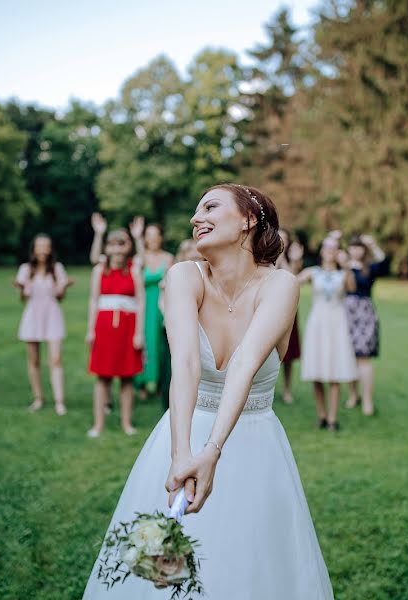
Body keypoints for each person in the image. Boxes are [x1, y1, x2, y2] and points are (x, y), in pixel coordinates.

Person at [82, 184, 334, 599]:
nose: (196, 218)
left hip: (254, 444)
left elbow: (246, 363)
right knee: (160, 577)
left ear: (248, 221)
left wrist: (212, 451)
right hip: (182, 428)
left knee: (248, 567)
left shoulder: (281, 285)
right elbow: (184, 363)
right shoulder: (184, 276)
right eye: (196, 210)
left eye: (210, 207)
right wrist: (181, 452)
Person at [86, 228, 145, 437]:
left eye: (121, 244)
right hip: (104, 328)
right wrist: (90, 330)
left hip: (127, 328)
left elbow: (140, 301)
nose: (116, 249)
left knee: (127, 378)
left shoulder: (134, 270)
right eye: (112, 245)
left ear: (127, 248)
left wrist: (139, 333)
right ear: (107, 248)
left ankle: (126, 423)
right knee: (102, 378)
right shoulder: (99, 270)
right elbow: (93, 300)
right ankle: (98, 424)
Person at [297, 236, 357, 431]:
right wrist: (295, 260)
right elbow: (291, 282)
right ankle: (321, 415)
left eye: (335, 248)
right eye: (327, 247)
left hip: (337, 324)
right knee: (317, 371)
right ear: (321, 250)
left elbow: (352, 288)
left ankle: (332, 418)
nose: (330, 250)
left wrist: (346, 265)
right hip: (318, 323)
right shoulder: (312, 273)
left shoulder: (344, 274)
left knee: (334, 372)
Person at [12, 234, 74, 415]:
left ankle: (59, 401)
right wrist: (21, 288)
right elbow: (23, 298)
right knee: (34, 360)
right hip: (32, 316)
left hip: (52, 315)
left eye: (46, 246)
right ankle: (38, 398)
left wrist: (63, 287)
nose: (42, 250)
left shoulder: (57, 268)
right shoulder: (25, 269)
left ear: (50, 249)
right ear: (34, 249)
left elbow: (60, 298)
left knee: (55, 359)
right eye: (39, 246)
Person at [344, 234, 387, 415]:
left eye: (359, 247)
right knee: (348, 356)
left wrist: (373, 243)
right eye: (353, 247)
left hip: (365, 314)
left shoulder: (369, 268)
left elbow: (384, 263)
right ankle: (353, 395)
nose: (356, 250)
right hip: (345, 313)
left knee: (364, 357)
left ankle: (367, 400)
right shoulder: (343, 266)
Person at [137, 223, 174, 400]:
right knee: (143, 344)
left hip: (160, 305)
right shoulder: (140, 259)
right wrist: (136, 238)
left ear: (161, 238)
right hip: (143, 306)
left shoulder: (168, 258)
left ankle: (159, 383)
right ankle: (141, 383)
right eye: (148, 235)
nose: (152, 239)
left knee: (159, 344)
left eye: (155, 235)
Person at [276, 228, 304, 404]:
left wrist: (286, 259)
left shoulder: (293, 262)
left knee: (289, 354)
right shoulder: (265, 257)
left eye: (285, 239)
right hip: (268, 308)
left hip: (288, 309)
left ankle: (286, 389)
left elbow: (291, 278)